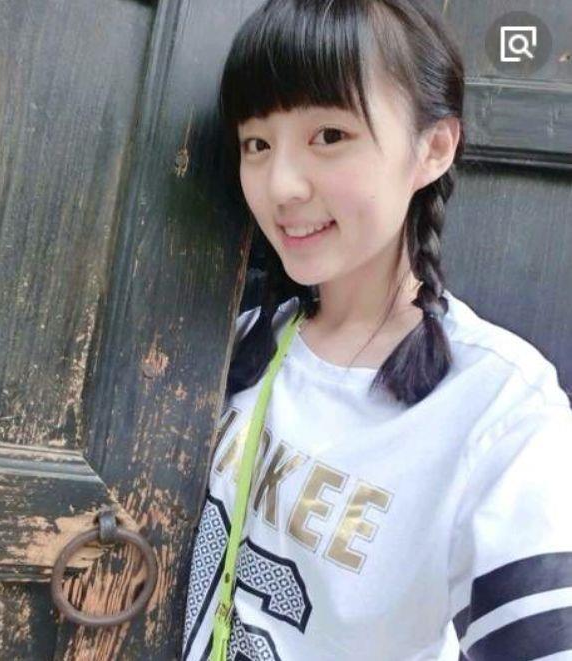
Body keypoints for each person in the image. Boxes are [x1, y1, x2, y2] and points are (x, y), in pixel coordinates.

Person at [181, 1, 572, 659]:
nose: (281, 186)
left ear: (432, 148)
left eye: (329, 135)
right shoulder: (236, 341)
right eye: (257, 144)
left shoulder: (499, 410)